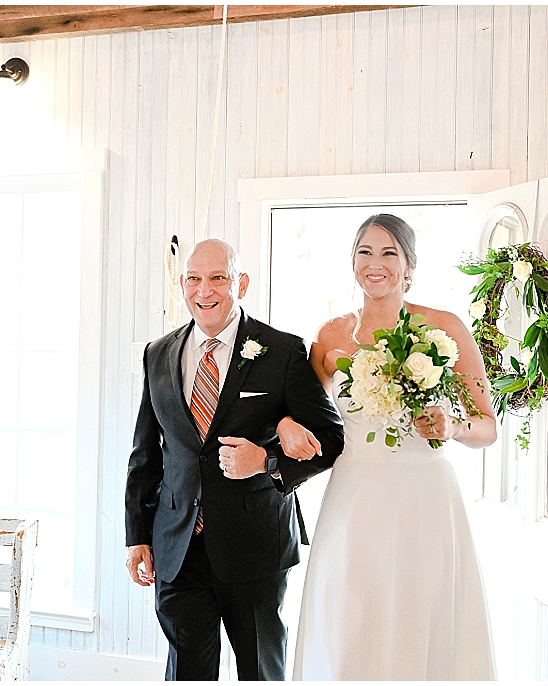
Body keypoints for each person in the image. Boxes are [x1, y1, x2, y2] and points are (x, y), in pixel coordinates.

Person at [285, 214, 499, 680]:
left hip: (424, 498)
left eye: (389, 253)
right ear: (352, 263)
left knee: (420, 611)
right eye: (365, 252)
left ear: (409, 265)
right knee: (348, 613)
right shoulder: (330, 337)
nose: (375, 264)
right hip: (355, 494)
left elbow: (487, 427)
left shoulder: (445, 327)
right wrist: (284, 422)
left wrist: (453, 425)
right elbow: (302, 413)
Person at [124, 239, 345, 681]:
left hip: (255, 545)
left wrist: (266, 460)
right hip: (177, 546)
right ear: (182, 284)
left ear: (240, 283)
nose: (204, 290)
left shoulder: (282, 351)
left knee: (260, 670)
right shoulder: (158, 354)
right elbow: (146, 453)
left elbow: (331, 439)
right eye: (194, 279)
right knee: (187, 671)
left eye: (218, 278)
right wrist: (137, 535)